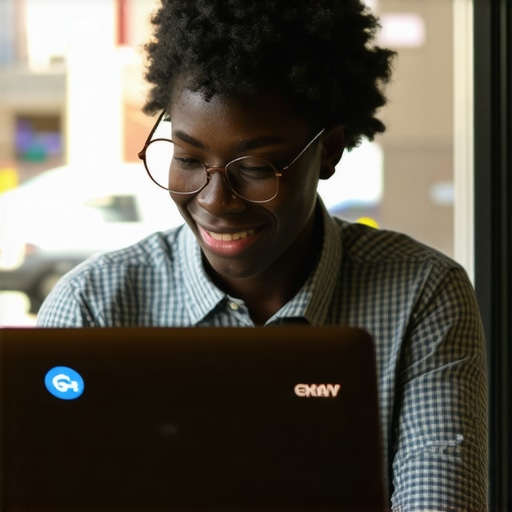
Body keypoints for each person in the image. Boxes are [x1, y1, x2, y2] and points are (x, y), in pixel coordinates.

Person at [38, 0, 488, 509]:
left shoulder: (421, 295)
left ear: (330, 151)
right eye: (186, 159)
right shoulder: (91, 308)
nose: (214, 200)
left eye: (255, 168)